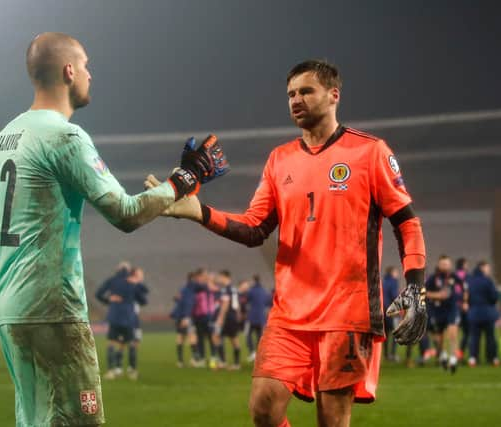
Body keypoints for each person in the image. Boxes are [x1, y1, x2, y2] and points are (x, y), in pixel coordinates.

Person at [0, 32, 228, 426]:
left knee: (35, 420)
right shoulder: (64, 136)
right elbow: (125, 213)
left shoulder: (4, 137)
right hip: (54, 309)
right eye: (86, 65)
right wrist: (186, 179)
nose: (90, 74)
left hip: (10, 308)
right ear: (69, 71)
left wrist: (20, 260)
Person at [146, 59, 427, 427]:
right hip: (289, 313)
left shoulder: (370, 152)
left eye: (306, 91)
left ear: (333, 95)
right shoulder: (280, 159)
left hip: (348, 312)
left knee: (332, 419)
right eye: (291, 93)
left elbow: (407, 222)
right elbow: (254, 227)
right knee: (263, 408)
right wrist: (200, 212)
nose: (296, 99)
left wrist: (415, 287)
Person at [96, 267, 148, 380]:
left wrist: (109, 300)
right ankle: (132, 371)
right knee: (132, 344)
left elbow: (98, 294)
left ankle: (111, 371)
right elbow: (144, 300)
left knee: (111, 343)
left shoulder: (113, 282)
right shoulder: (133, 284)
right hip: (128, 318)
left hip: (114, 317)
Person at [425, 255, 462, 373]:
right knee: (439, 338)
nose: (446, 266)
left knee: (453, 332)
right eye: (443, 264)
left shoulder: (454, 276)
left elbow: (464, 287)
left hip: (452, 308)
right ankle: (443, 355)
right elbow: (423, 292)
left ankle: (453, 358)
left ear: (450, 265)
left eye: (447, 264)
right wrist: (437, 296)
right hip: (437, 310)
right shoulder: (433, 278)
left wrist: (465, 301)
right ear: (439, 265)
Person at [467, 261, 499, 366]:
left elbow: (467, 297)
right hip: (487, 313)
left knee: (474, 337)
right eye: (487, 267)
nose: (488, 269)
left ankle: (473, 358)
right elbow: (494, 297)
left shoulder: (470, 280)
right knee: (490, 337)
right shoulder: (487, 281)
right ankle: (493, 358)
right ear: (482, 267)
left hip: (474, 313)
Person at [211, 270, 242, 370]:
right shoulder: (234, 289)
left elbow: (225, 303)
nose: (219, 279)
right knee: (224, 337)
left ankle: (230, 363)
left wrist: (220, 318)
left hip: (227, 317)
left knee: (219, 337)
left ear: (225, 277)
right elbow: (237, 304)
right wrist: (238, 314)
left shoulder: (225, 289)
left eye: (220, 277)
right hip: (233, 316)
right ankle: (228, 362)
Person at [169, 272, 199, 368]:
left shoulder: (184, 288)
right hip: (185, 317)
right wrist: (186, 317)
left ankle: (180, 361)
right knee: (192, 336)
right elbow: (187, 303)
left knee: (180, 337)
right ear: (193, 279)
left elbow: (179, 300)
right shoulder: (189, 289)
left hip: (179, 316)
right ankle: (195, 360)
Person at [245, 275, 272, 362]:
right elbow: (268, 303)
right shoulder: (264, 291)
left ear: (253, 280)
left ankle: (253, 353)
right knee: (259, 336)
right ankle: (260, 355)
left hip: (252, 317)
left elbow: (246, 301)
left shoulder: (251, 291)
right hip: (261, 318)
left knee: (248, 335)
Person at [382, 267, 400, 361]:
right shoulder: (393, 282)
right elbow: (394, 296)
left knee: (386, 334)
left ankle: (386, 355)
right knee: (395, 333)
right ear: (392, 272)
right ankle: (392, 355)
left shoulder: (383, 281)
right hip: (392, 312)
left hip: (383, 311)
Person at [454, 257, 470, 360]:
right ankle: (460, 353)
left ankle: (455, 354)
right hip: (462, 307)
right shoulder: (465, 276)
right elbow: (466, 291)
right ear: (463, 265)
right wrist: (465, 302)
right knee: (466, 331)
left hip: (454, 306)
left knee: (455, 332)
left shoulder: (453, 275)